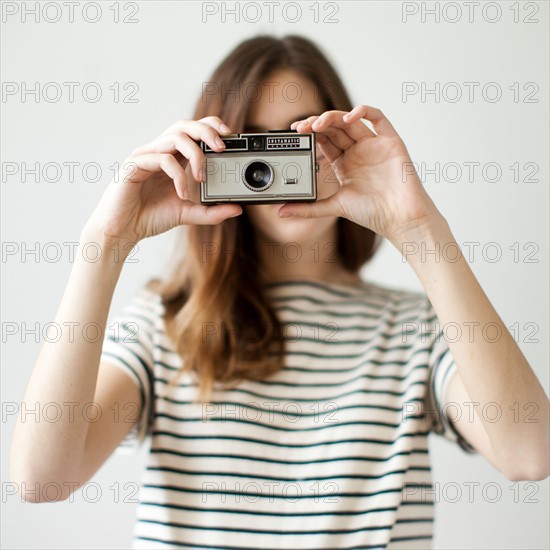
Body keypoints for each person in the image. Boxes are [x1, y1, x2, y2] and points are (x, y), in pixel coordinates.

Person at [11, 35, 549, 549]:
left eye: (299, 138)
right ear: (214, 157)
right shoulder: (161, 326)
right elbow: (42, 480)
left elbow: (530, 453)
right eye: (255, 144)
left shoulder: (418, 328)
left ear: (341, 139)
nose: (278, 165)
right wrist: (105, 243)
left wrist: (419, 228)